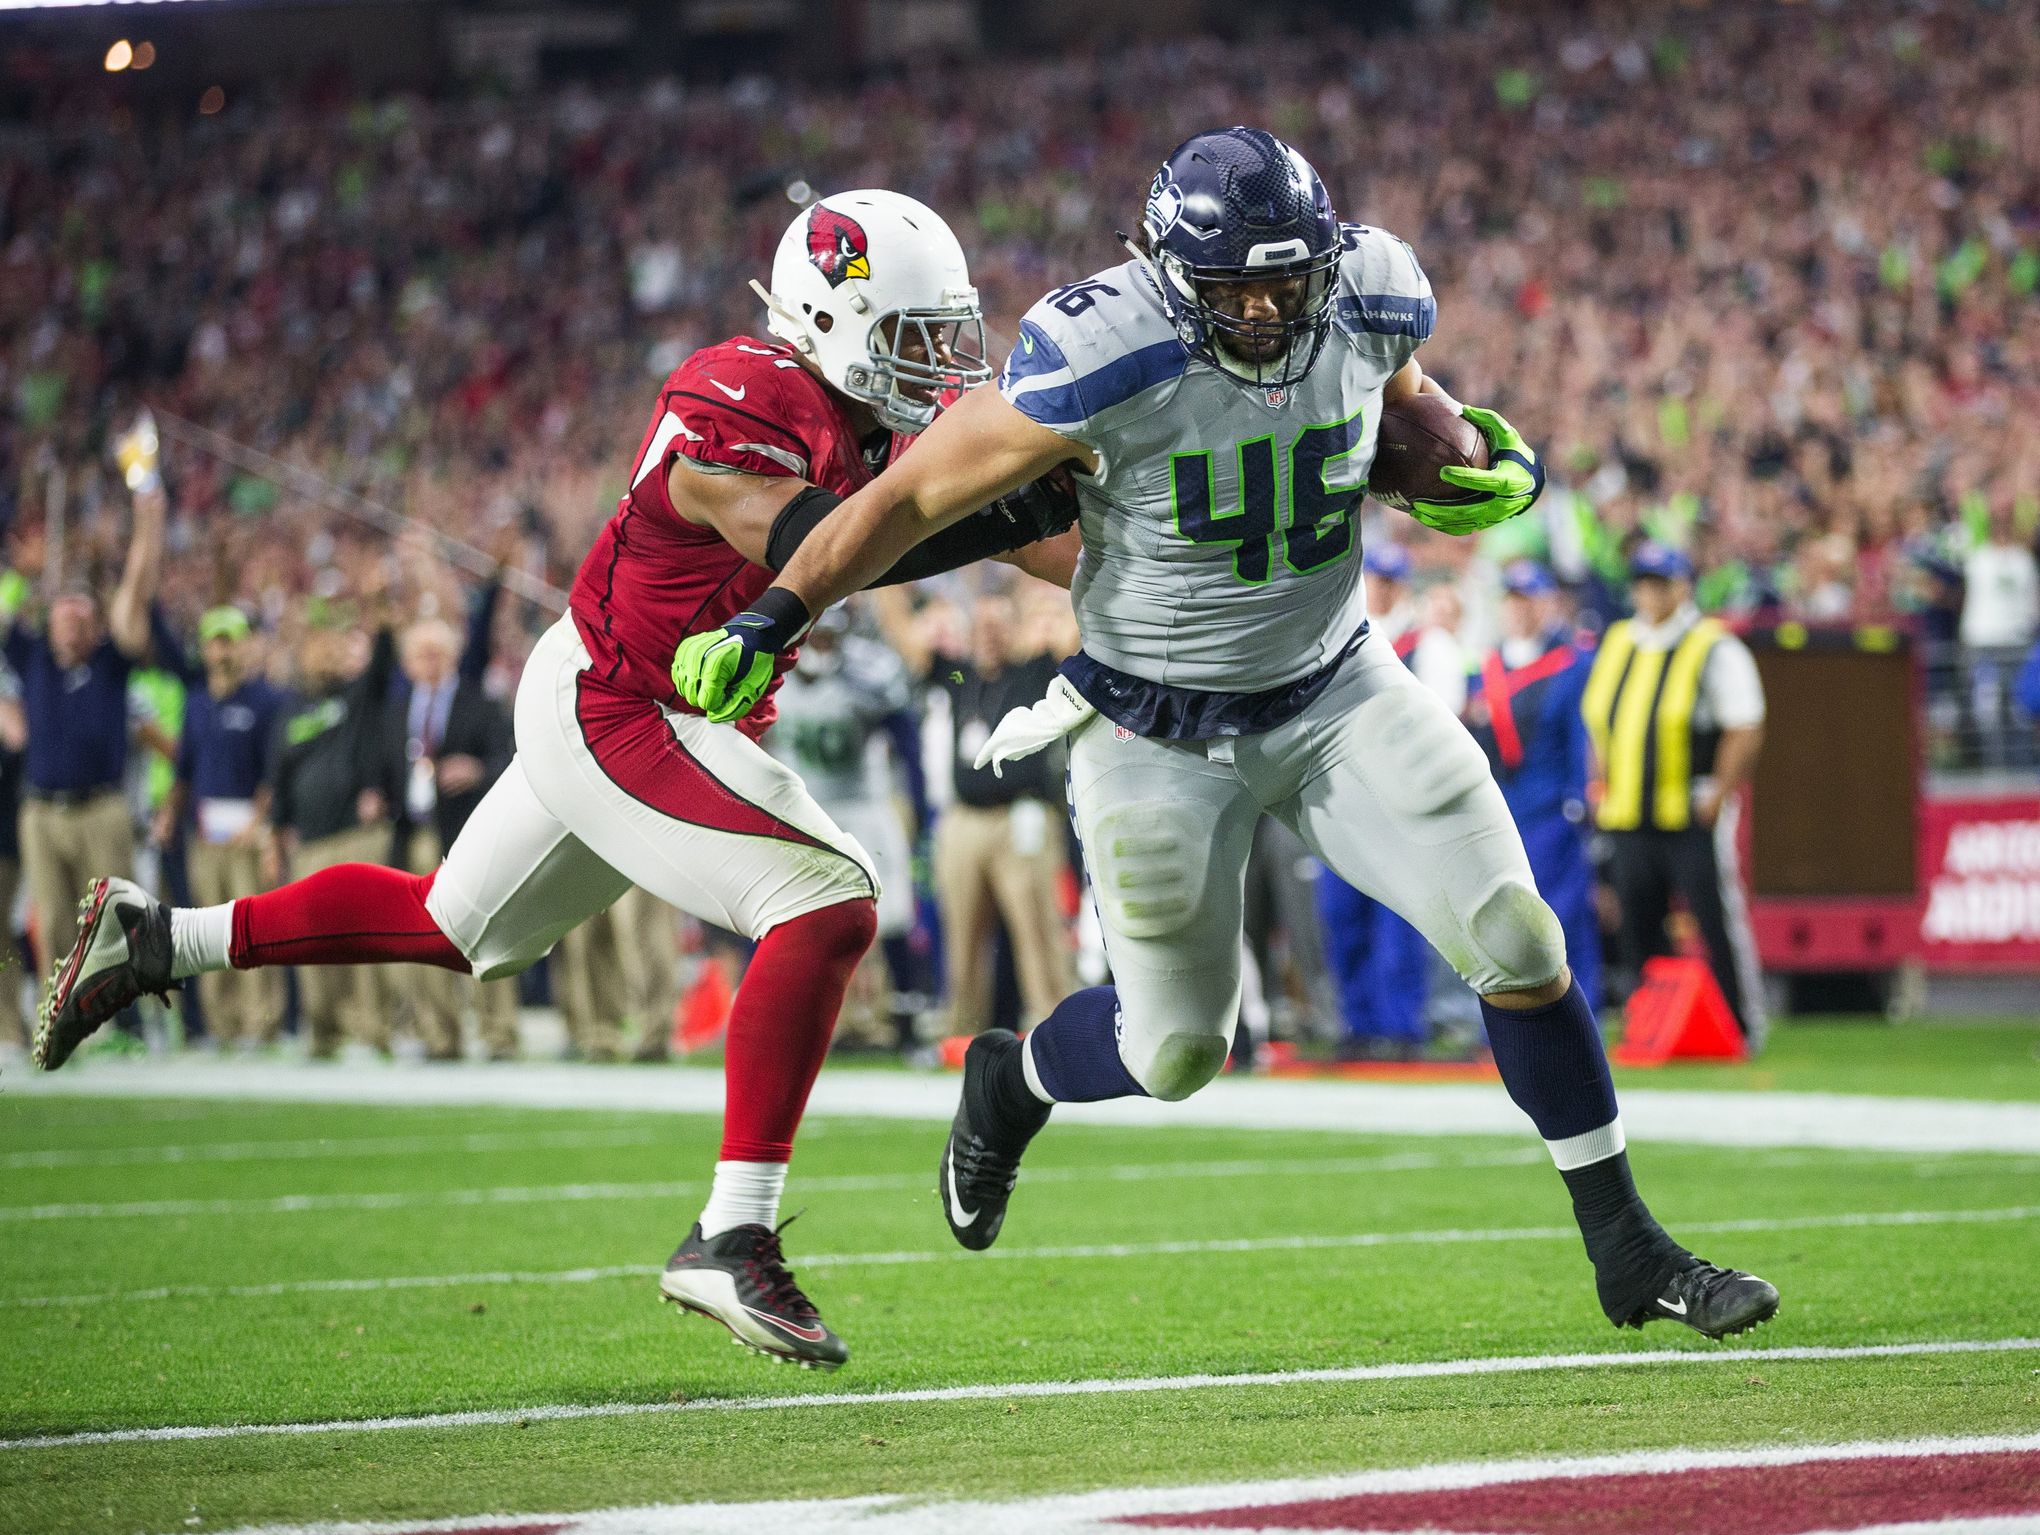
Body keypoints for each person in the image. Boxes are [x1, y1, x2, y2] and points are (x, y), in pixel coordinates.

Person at [674, 128, 1778, 1341]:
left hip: (1335, 686)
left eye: (1285, 280)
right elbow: (906, 498)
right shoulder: (1096, 346)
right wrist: (779, 611)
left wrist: (1470, 449)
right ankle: (1013, 1076)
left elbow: (1401, 402)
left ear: (1325, 259)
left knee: (1517, 935)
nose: (1263, 308)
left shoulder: (1371, 287)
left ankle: (1629, 1244)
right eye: (1234, 286)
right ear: (1165, 268)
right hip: (1152, 725)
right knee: (1181, 1049)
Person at [38, 191, 1078, 1371]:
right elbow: (819, 545)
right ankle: (732, 1230)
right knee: (826, 902)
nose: (937, 362)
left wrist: (1128, 521)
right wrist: (1000, 516)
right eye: (910, 336)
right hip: (622, 704)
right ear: (824, 317)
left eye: (946, 333)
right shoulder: (740, 398)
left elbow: (1029, 528)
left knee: (454, 925)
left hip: (625, 696)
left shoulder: (862, 411)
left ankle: (162, 936)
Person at [1583, 542, 1767, 1042]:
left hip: (1689, 807)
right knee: (1638, 924)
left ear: (1683, 586)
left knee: (1715, 920)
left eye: (1660, 582)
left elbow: (1746, 724)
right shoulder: (1619, 640)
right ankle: (1651, 1026)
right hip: (1627, 811)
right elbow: (1601, 724)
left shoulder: (1712, 645)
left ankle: (1741, 1023)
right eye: (1641, 582)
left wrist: (1720, 791)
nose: (1649, 592)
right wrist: (1598, 782)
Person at [8, 423, 165, 1000]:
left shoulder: (110, 660)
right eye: (62, 614)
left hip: (102, 806)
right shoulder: (32, 658)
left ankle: (116, 1019)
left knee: (111, 923)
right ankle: (60, 1018)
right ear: (49, 620)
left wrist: (147, 516)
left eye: (81, 615)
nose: (71, 623)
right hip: (42, 811)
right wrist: (22, 569)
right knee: (50, 922)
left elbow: (136, 588)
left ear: (94, 623)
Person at [883, 586, 1075, 1042]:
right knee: (961, 940)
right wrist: (885, 579)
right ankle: (960, 1036)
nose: (990, 634)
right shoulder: (958, 677)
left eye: (999, 624)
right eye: (982, 625)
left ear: (1018, 629)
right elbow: (904, 638)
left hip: (1022, 817)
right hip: (964, 820)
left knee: (1039, 935)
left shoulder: (1037, 671)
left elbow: (1076, 629)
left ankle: (1056, 1033)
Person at [1312, 544, 1458, 1059]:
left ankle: (1400, 1026)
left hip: (1398, 793)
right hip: (1346, 795)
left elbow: (1441, 720)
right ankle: (1359, 1022)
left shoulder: (1429, 644)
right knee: (1343, 914)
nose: (1382, 587)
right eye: (1376, 577)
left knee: (1397, 919)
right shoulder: (1339, 632)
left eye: (1391, 579)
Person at [768, 607, 922, 1050]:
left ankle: (903, 1021)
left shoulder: (867, 673)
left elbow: (905, 737)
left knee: (891, 916)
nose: (822, 646)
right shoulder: (774, 670)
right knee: (808, 919)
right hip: (807, 810)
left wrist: (917, 806)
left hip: (864, 807)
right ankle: (819, 1020)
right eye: (816, 636)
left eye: (829, 637)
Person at [383, 601, 516, 1060]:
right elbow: (386, 768)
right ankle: (440, 1034)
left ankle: (499, 1033)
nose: (430, 661)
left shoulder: (479, 703)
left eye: (438, 652)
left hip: (468, 833)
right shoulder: (399, 708)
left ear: (454, 655)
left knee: (484, 931)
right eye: (421, 653)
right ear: (407, 662)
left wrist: (477, 769)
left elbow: (513, 760)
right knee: (424, 937)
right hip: (416, 832)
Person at [1465, 562, 1599, 1011]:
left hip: (1552, 806)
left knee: (1562, 913)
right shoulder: (1485, 667)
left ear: (1548, 603)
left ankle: (1581, 1008)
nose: (1519, 608)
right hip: (1500, 807)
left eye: (1529, 598)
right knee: (1505, 917)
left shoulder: (1572, 662)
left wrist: (1581, 800)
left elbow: (1582, 736)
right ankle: (1514, 1010)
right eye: (1512, 599)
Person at [162, 606, 288, 1048]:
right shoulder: (196, 702)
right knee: (206, 934)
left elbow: (274, 772)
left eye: (229, 640)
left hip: (247, 834)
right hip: (206, 835)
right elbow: (184, 769)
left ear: (243, 644)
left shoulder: (266, 700)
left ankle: (261, 1022)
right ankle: (222, 1024)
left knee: (249, 931)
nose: (222, 650)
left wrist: (258, 824)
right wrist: (169, 815)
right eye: (215, 641)